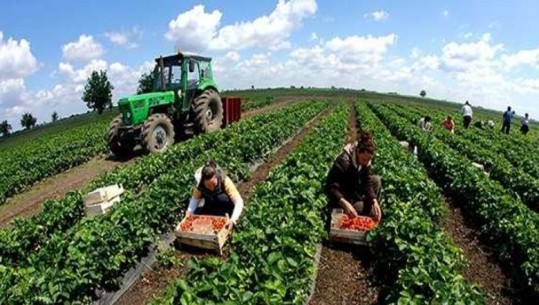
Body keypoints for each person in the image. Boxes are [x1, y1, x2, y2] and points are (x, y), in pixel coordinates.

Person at [325, 131, 382, 221]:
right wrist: (345, 203)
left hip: (354, 190)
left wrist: (374, 200)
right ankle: (357, 211)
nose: (366, 162)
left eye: (368, 160)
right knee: (372, 213)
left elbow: (366, 182)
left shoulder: (365, 162)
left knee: (376, 180)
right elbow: (331, 188)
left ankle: (366, 206)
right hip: (343, 197)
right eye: (364, 159)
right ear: (357, 151)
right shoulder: (344, 162)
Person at [186, 160, 244, 229]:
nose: (212, 188)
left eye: (213, 184)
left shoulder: (224, 180)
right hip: (211, 209)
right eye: (208, 185)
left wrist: (233, 219)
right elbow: (195, 200)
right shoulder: (200, 186)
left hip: (226, 210)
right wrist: (189, 212)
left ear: (216, 177)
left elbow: (239, 201)